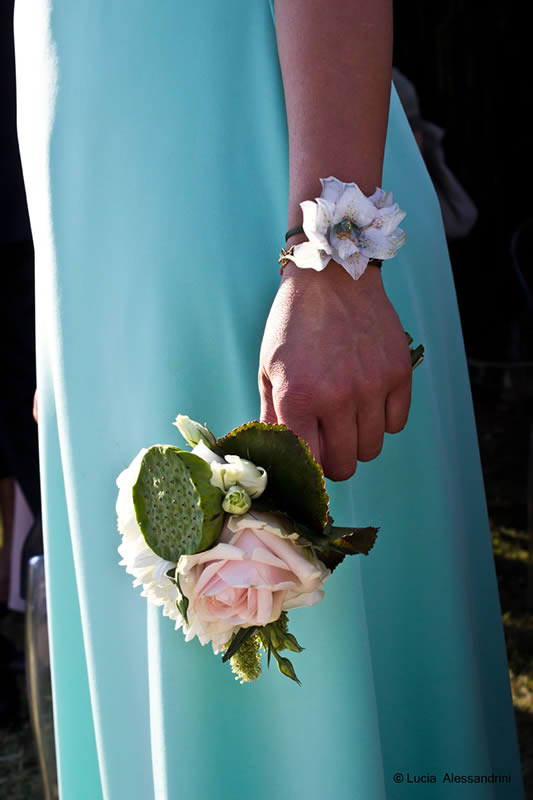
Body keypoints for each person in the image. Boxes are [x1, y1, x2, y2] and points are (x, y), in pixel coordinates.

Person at [14, 0, 523, 798]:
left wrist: (333, 265)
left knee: (317, 697)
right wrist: (67, 323)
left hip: (261, 224)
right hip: (112, 277)